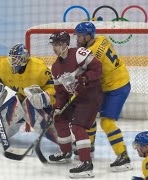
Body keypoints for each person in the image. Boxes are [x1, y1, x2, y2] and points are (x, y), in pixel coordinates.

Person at [74, 21, 132, 172]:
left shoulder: (91, 54)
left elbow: (87, 73)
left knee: (107, 123)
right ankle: (89, 145)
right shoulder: (102, 39)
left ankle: (123, 156)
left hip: (117, 87)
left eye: (80, 36)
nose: (77, 39)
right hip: (109, 84)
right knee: (90, 115)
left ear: (88, 36)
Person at [48, 31, 103, 178]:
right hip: (75, 98)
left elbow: (98, 68)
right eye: (52, 45)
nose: (54, 48)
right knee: (59, 119)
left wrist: (85, 78)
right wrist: (58, 107)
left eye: (56, 45)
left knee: (78, 126)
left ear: (65, 45)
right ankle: (65, 152)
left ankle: (86, 164)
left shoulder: (79, 53)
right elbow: (60, 92)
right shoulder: (55, 67)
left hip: (91, 97)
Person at [0, 43, 57, 144]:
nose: (12, 62)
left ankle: (65, 141)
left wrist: (45, 96)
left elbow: (53, 87)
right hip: (22, 99)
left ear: (24, 59)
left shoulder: (39, 69)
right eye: (12, 59)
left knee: (30, 109)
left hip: (42, 105)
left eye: (16, 59)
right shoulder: (5, 66)